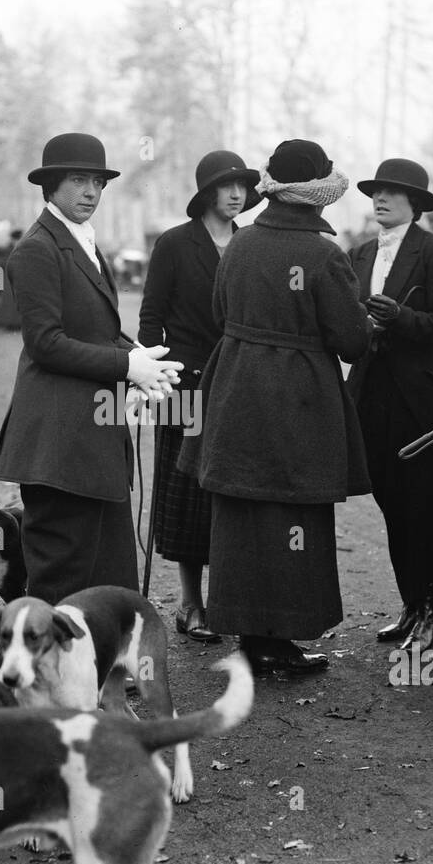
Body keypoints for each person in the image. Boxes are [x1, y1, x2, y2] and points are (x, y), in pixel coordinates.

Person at [180, 139, 372, 675]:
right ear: (318, 195)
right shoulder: (323, 254)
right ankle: (279, 640)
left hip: (235, 386)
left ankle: (250, 639)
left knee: (240, 511)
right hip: (297, 397)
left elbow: (220, 310)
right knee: (294, 513)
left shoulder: (240, 244)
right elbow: (351, 341)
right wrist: (363, 322)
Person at [0, 132, 181, 603]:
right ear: (50, 186)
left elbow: (98, 330)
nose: (91, 192)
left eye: (97, 182)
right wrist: (125, 366)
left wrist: (146, 361)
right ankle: (49, 671)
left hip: (94, 435)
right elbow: (46, 343)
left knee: (109, 565)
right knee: (64, 573)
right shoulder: (36, 249)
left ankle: (108, 664)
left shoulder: (84, 242)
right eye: (78, 180)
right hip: (57, 441)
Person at [347, 158, 433, 652]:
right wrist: (362, 325)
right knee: (391, 500)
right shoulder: (356, 255)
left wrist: (398, 318)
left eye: (393, 193)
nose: (380, 199)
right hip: (374, 395)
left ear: (415, 204)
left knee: (429, 504)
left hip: (427, 399)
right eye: (376, 192)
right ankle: (410, 605)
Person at [138, 149, 260, 643]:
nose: (237, 194)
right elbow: (151, 315)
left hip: (236, 384)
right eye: (227, 186)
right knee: (185, 493)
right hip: (184, 386)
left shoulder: (249, 243)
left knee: (230, 493)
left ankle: (232, 600)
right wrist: (153, 373)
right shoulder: (174, 244)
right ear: (207, 192)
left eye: (244, 187)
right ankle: (191, 604)